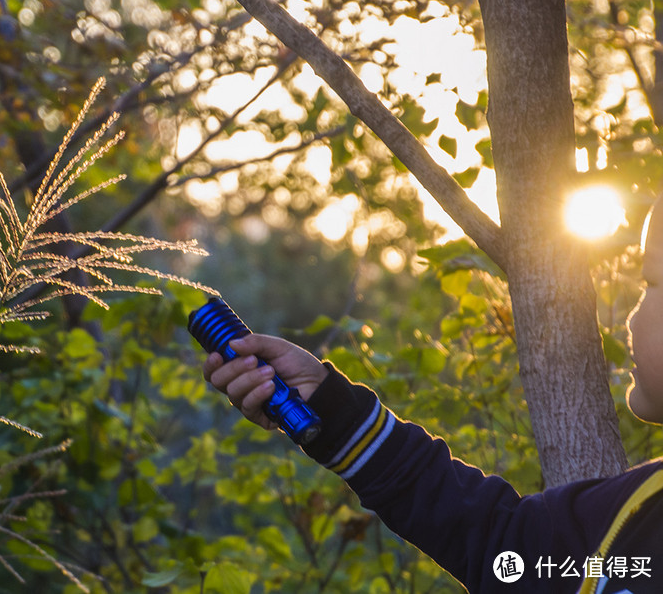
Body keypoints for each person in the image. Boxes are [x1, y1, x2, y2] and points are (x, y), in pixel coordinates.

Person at [201, 196, 663, 594]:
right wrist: (330, 411)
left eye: (653, 285)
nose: (631, 318)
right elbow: (502, 544)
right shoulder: (637, 510)